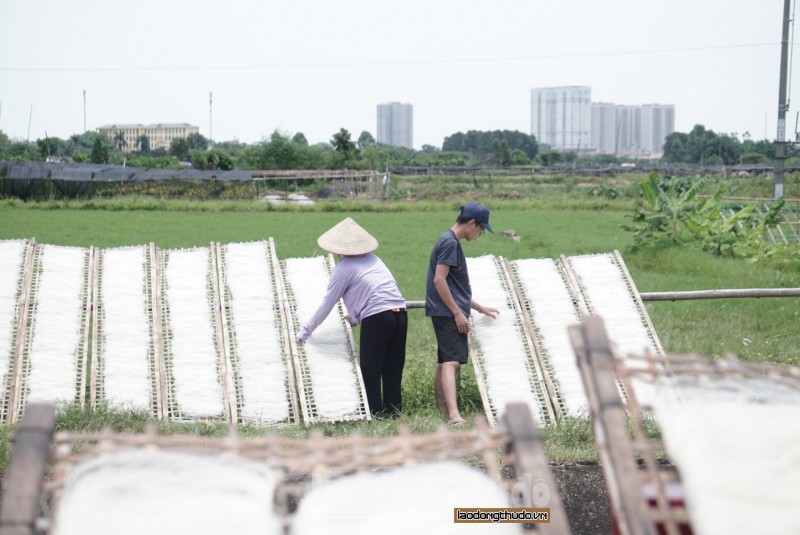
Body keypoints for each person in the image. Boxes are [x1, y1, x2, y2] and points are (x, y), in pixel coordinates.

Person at [297, 217, 407, 416]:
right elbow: (372, 290)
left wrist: (306, 331)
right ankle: (393, 412)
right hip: (400, 313)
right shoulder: (374, 259)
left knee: (370, 369)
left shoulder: (343, 269)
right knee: (392, 367)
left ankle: (374, 413)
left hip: (378, 317)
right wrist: (356, 317)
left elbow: (327, 304)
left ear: (338, 249)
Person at [425, 202, 499, 425]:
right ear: (472, 223)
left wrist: (478, 307)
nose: (480, 234)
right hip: (447, 312)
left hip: (445, 310)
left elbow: (454, 286)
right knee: (451, 362)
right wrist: (457, 313)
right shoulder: (450, 243)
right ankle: (454, 415)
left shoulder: (448, 240)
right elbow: (439, 280)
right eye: (481, 229)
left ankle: (443, 409)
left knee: (445, 361)